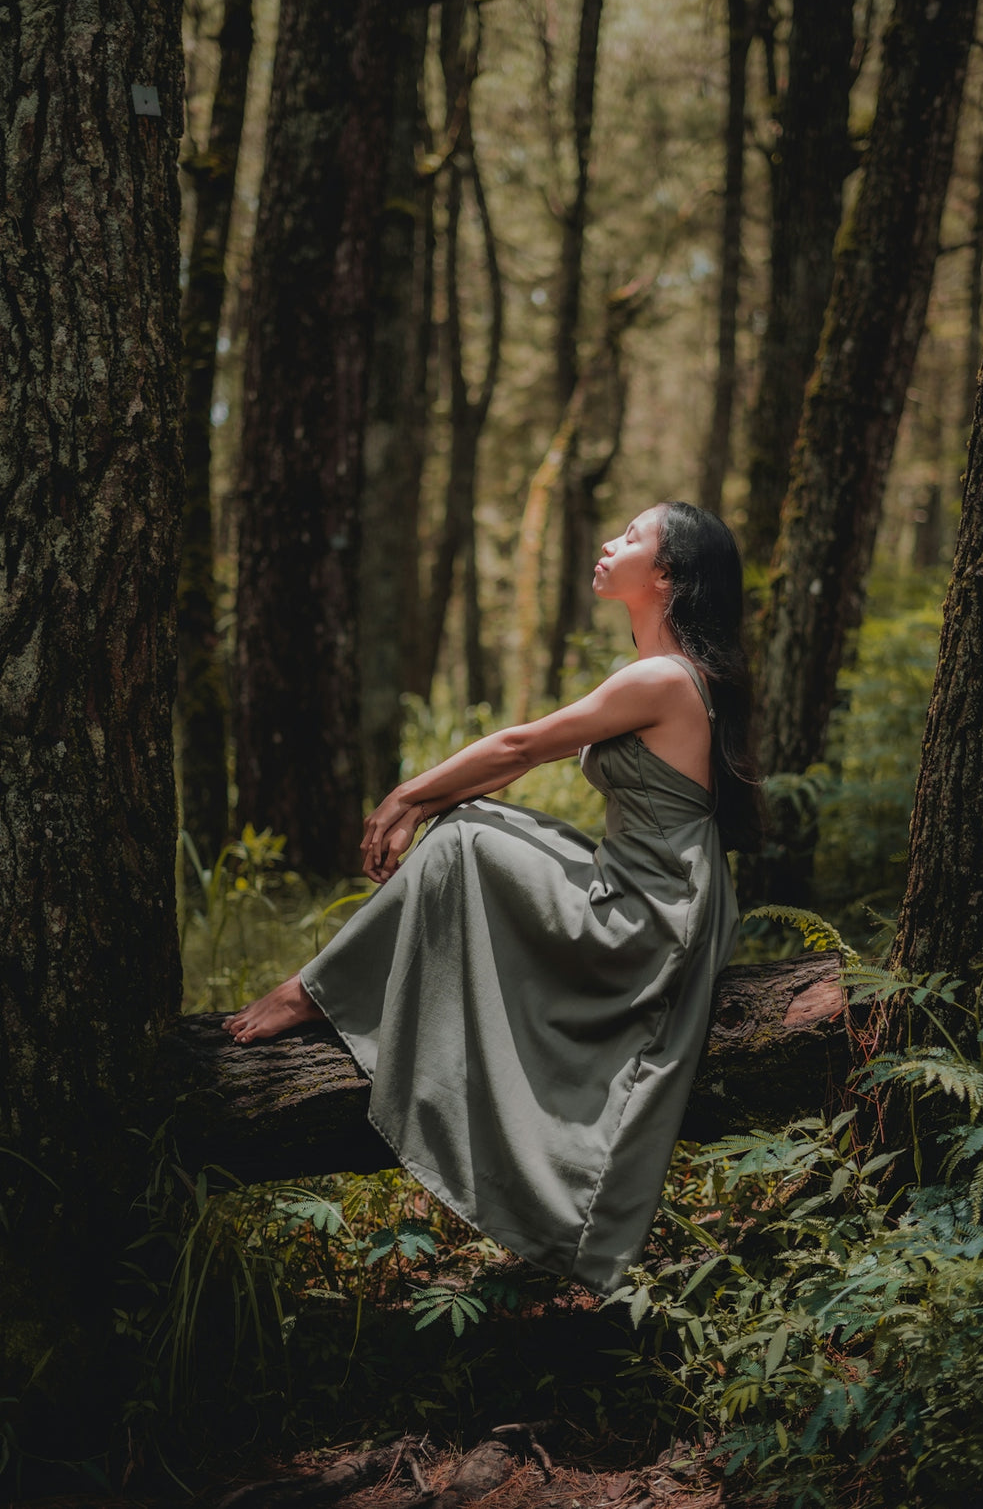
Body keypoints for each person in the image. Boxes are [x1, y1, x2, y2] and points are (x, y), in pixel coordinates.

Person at [224, 501, 762, 1294]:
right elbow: (515, 764)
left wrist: (408, 794)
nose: (609, 542)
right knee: (474, 823)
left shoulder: (660, 678)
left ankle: (316, 992)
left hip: (649, 916)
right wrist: (427, 800)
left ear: (668, 576)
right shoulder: (671, 674)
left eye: (632, 538)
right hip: (659, 894)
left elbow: (519, 745)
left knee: (466, 837)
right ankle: (336, 991)